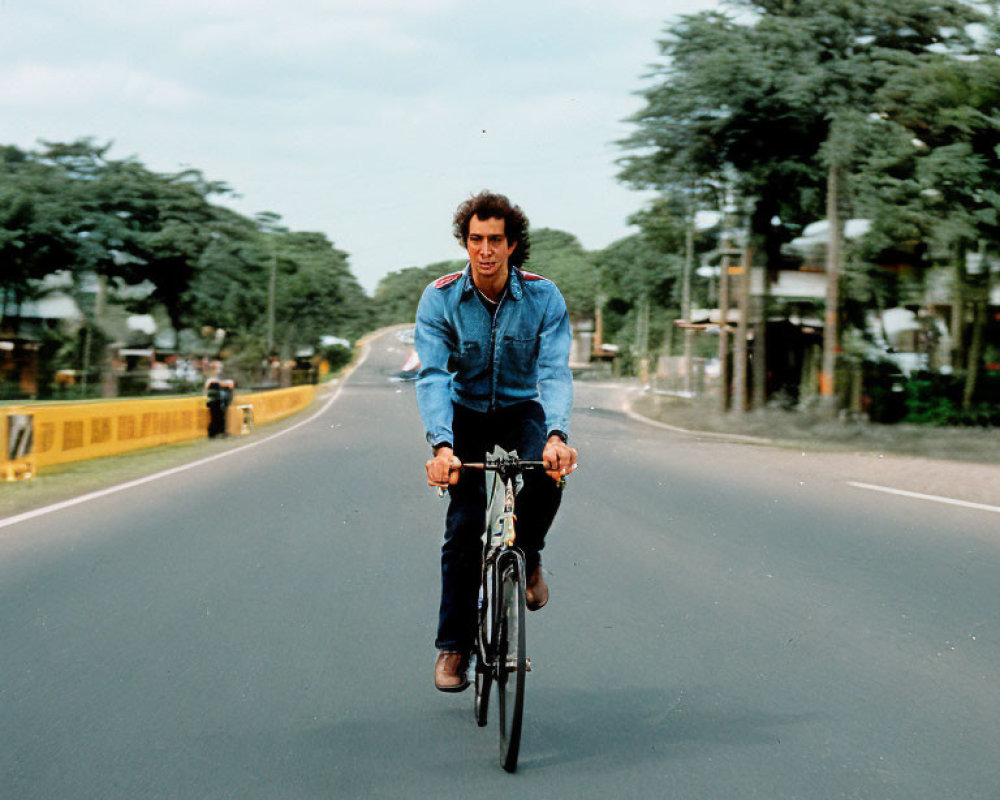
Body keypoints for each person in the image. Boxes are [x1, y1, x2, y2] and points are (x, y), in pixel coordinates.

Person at [414, 190, 578, 692]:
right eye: (475, 239)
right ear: (465, 243)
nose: (485, 250)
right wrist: (442, 447)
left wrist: (556, 435)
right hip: (463, 416)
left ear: (512, 246)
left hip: (519, 410)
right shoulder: (440, 297)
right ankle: (454, 648)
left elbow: (553, 371)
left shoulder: (544, 296)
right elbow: (433, 376)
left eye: (496, 240)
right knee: (463, 529)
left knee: (550, 476)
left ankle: (527, 557)